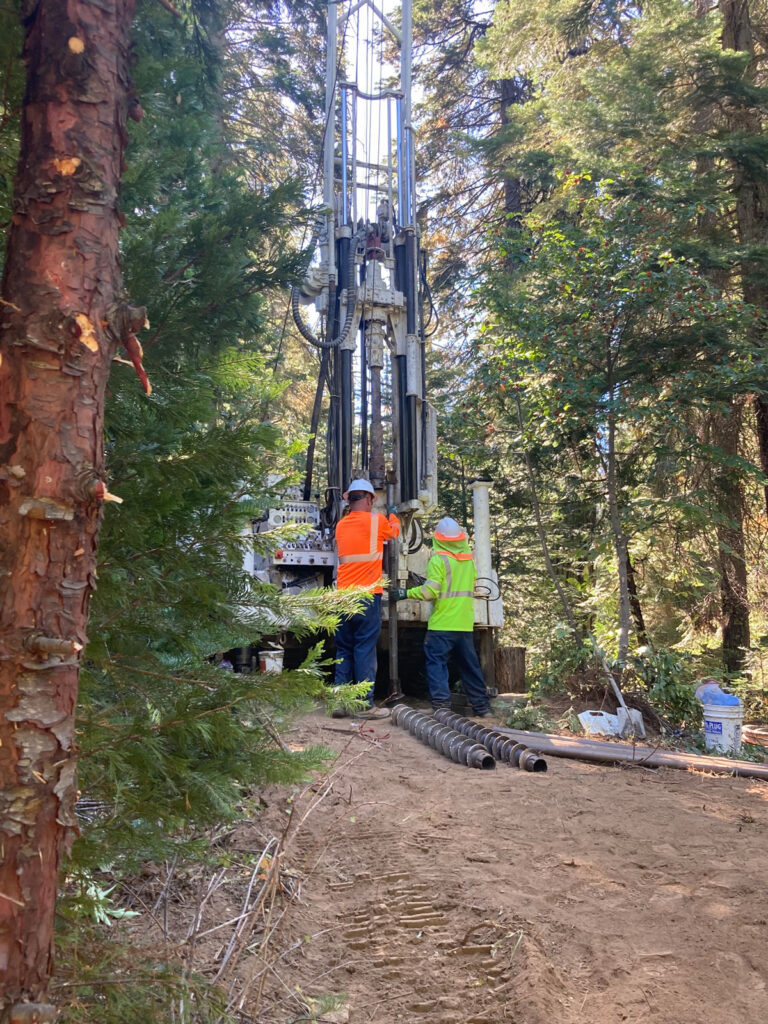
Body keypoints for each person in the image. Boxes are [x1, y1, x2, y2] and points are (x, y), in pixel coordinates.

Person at [392, 516, 491, 717]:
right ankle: (483, 708)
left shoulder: (438, 560)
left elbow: (430, 592)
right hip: (463, 624)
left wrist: (405, 593)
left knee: (436, 663)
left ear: (438, 538)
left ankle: (441, 707)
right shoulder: (468, 561)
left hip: (442, 624)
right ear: (460, 538)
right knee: (470, 666)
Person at [333, 478, 400, 716]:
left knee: (344, 649)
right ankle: (363, 704)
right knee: (364, 648)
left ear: (349, 499)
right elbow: (394, 533)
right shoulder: (377, 521)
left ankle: (340, 703)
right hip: (366, 594)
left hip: (342, 596)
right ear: (370, 499)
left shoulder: (341, 525)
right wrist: (393, 514)